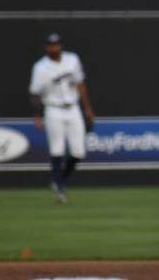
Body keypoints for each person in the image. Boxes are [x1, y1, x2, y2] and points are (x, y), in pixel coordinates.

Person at [29, 33, 94, 204]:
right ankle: (60, 190)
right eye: (50, 45)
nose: (54, 48)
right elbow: (35, 94)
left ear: (61, 46)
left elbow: (81, 84)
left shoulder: (72, 60)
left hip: (73, 108)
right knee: (57, 150)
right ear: (46, 48)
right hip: (53, 109)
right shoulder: (40, 67)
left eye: (56, 44)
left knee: (78, 152)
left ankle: (60, 180)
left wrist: (88, 109)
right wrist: (37, 116)